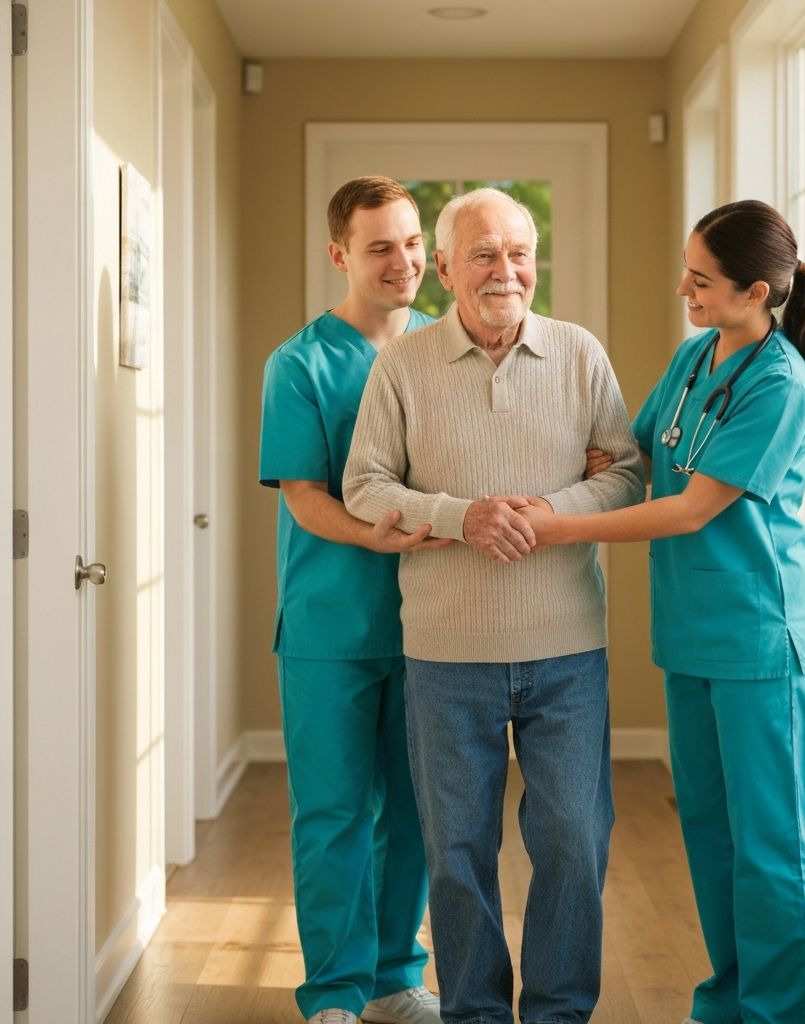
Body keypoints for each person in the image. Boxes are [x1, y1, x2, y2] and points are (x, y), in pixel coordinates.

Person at [520, 199, 805, 1024]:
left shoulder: (780, 383)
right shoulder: (696, 359)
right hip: (691, 635)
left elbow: (691, 508)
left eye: (702, 279)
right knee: (709, 830)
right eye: (686, 269)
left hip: (761, 639)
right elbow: (636, 446)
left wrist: (558, 527)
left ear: (757, 291)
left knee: (768, 848)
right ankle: (726, 1002)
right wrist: (604, 460)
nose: (684, 289)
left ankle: (777, 1013)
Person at [342, 187, 646, 1024]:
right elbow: (363, 485)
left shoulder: (580, 353)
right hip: (444, 653)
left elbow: (625, 471)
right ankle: (473, 1013)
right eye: (482, 254)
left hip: (567, 646)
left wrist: (548, 515)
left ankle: (557, 1014)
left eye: (519, 252)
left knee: (574, 844)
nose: (504, 271)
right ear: (443, 268)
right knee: (458, 852)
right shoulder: (401, 365)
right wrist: (462, 516)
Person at [259, 176, 451, 1024]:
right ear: (340, 255)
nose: (402, 262)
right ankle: (332, 994)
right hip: (331, 625)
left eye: (412, 243)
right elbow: (301, 493)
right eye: (380, 247)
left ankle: (393, 977)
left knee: (414, 811)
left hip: (433, 624)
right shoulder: (298, 364)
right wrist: (372, 537)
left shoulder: (448, 352)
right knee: (335, 813)